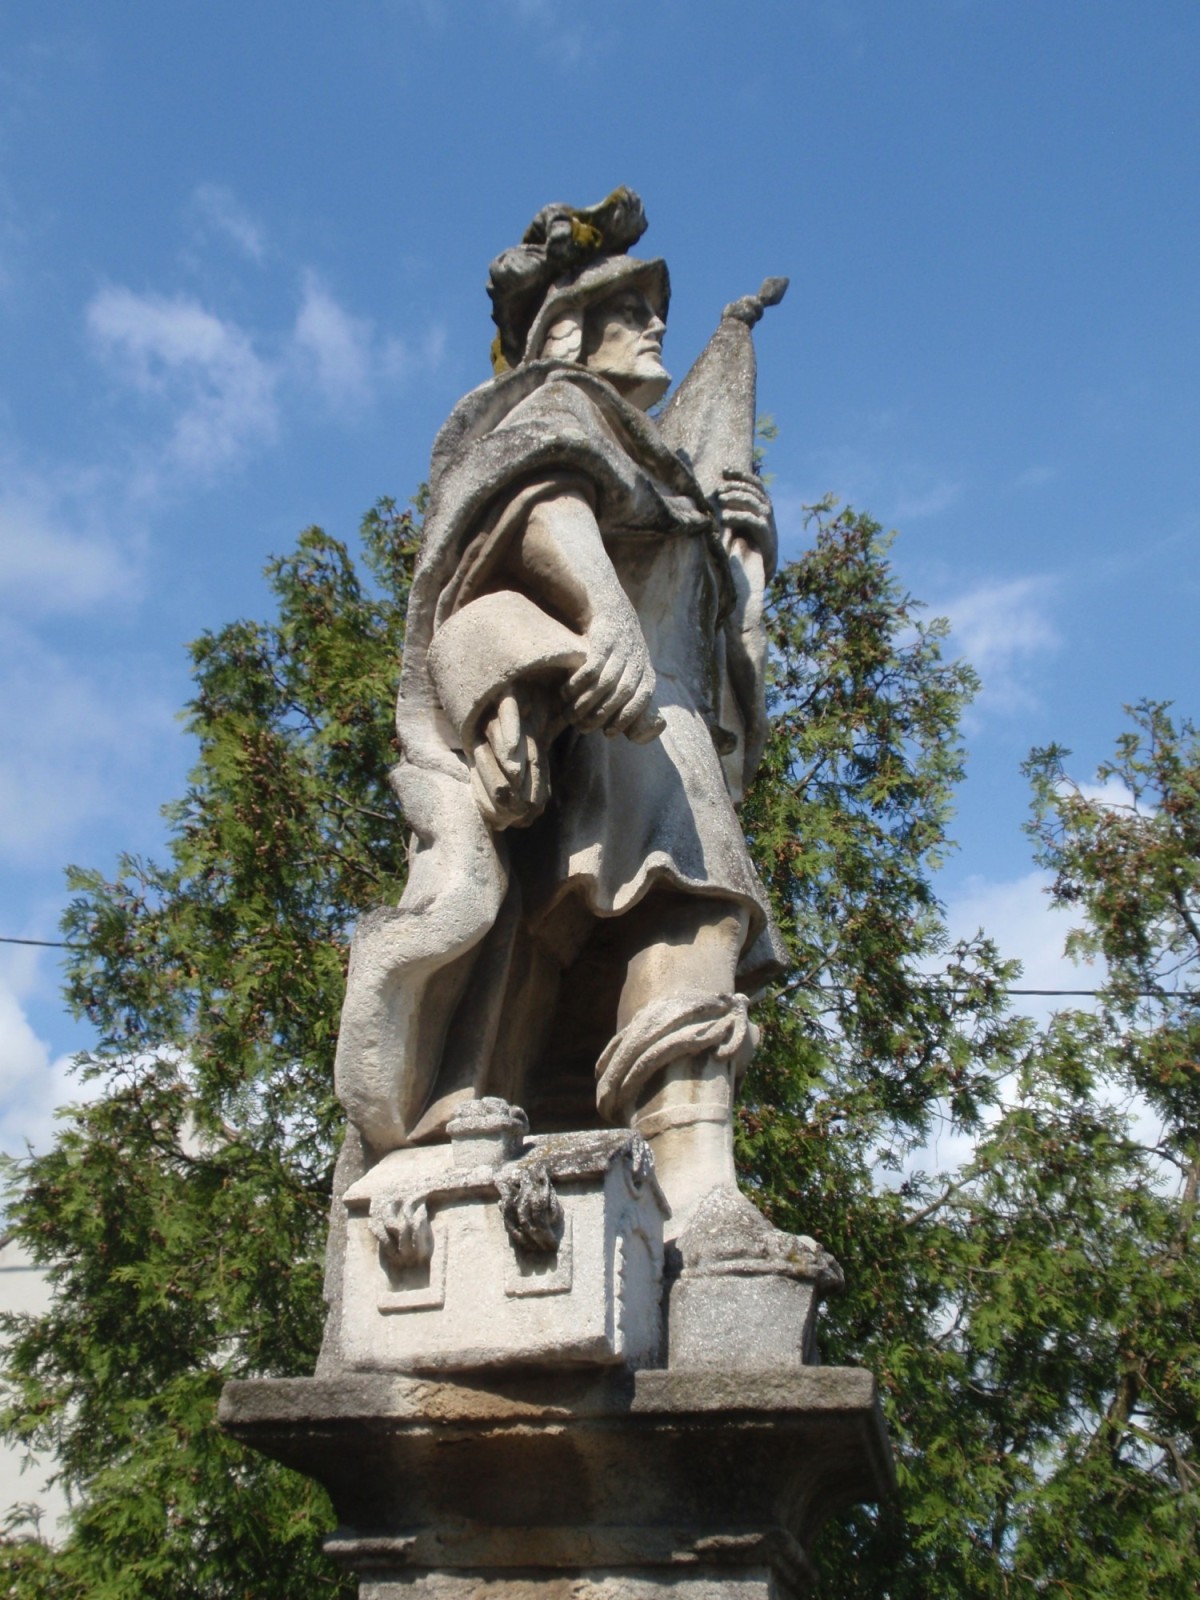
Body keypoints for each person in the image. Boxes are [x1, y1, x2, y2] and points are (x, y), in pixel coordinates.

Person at [335, 190, 785, 1233]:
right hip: (595, 719)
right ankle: (518, 1149)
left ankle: (698, 1186)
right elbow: (539, 499)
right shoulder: (563, 405)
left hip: (666, 732)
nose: (655, 325)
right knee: (584, 941)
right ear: (572, 332)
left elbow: (716, 665)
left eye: (656, 309)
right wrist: (602, 613)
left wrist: (746, 560)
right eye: (630, 309)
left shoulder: (664, 471)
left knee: (688, 921)